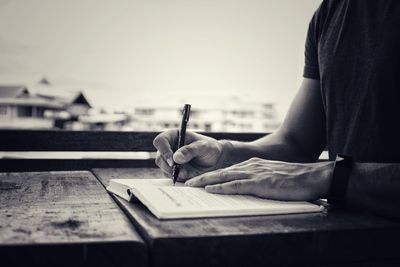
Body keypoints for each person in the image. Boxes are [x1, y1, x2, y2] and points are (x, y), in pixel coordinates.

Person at [153, 0, 400, 219]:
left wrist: (327, 177)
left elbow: (312, 169)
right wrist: (222, 154)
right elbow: (296, 143)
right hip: (345, 235)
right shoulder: (331, 11)